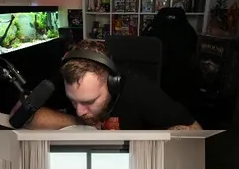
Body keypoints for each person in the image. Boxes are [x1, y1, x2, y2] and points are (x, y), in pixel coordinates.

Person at [24, 40, 200, 130]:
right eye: (73, 100)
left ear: (113, 84)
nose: (79, 110)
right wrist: (78, 122)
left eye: (89, 102)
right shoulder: (67, 77)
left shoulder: (141, 91)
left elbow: (194, 129)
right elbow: (22, 115)